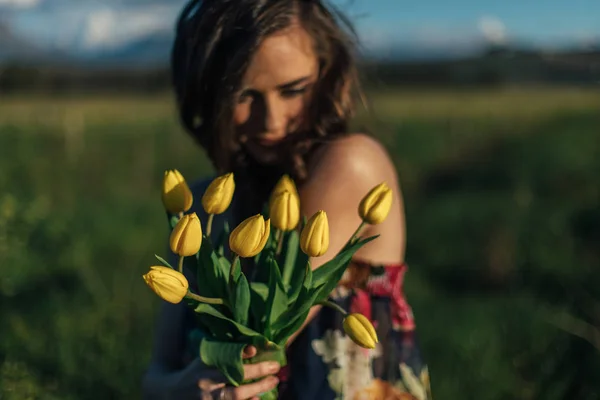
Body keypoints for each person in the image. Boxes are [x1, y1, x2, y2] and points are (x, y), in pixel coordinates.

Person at [142, 0, 432, 399]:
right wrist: (183, 390)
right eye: (244, 95)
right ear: (207, 93)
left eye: (293, 90)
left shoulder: (351, 165)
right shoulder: (197, 207)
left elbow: (261, 334)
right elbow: (156, 377)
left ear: (328, 73)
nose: (272, 121)